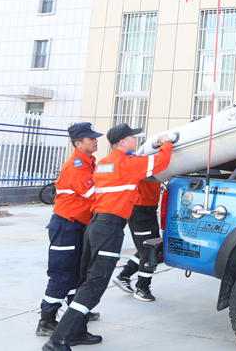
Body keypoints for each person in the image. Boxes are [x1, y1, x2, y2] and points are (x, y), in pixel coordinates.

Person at [42, 124, 172, 351]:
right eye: (133, 137)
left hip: (94, 226)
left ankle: (77, 332)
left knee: (85, 280)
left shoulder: (102, 163)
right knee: (95, 283)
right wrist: (166, 142)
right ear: (123, 142)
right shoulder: (128, 164)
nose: (136, 140)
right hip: (108, 228)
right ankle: (58, 340)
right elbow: (161, 161)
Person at [36, 122, 103, 339]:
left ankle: (76, 312)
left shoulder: (89, 161)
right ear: (78, 143)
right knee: (62, 274)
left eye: (95, 137)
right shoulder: (77, 165)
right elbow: (94, 193)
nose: (95, 141)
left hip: (78, 224)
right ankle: (46, 321)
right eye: (90, 138)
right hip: (66, 225)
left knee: (77, 272)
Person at [112, 177, 162, 301]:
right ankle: (142, 288)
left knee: (149, 248)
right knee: (149, 252)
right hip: (140, 213)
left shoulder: (154, 169)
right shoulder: (142, 167)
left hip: (149, 211)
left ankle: (124, 275)